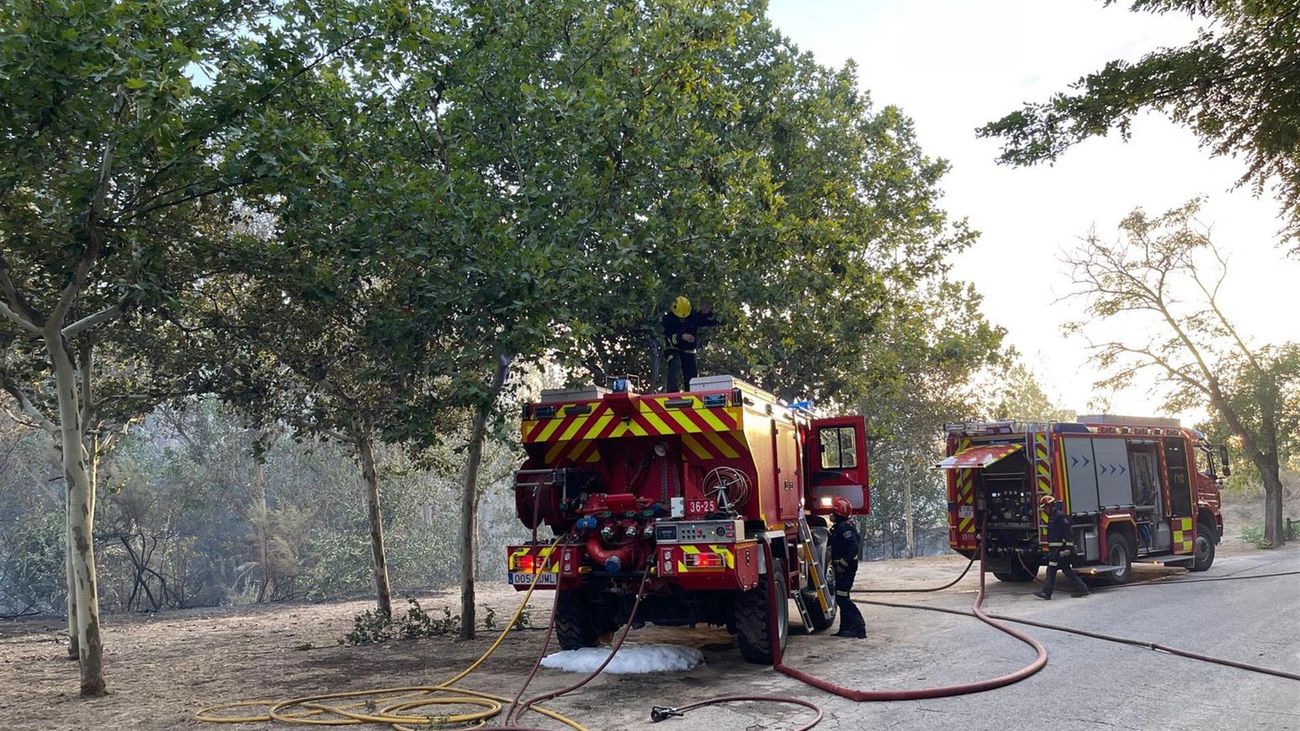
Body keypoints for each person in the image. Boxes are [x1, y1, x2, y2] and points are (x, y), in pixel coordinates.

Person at [1034, 495, 1091, 600]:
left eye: (1045, 507)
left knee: (1051, 570)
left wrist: (1068, 550)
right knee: (1066, 571)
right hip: (1056, 551)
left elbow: (1068, 534)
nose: (1044, 510)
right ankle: (1083, 589)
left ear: (1051, 506)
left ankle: (1047, 593)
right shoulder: (1052, 517)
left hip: (1061, 551)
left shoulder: (1060, 517)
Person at [829, 497, 867, 638]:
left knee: (842, 598)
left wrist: (842, 565)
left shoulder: (845, 528)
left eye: (833, 511)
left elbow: (853, 548)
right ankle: (845, 629)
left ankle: (859, 627)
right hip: (842, 567)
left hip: (846, 567)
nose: (831, 514)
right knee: (842, 596)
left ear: (838, 513)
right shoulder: (841, 527)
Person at [662, 295, 717, 392]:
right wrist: (682, 336)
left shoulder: (693, 316)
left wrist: (707, 313)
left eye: (685, 317)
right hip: (673, 348)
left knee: (691, 376)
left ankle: (691, 394)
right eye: (680, 318)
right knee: (675, 365)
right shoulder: (668, 319)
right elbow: (668, 335)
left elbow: (708, 321)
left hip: (689, 350)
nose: (683, 320)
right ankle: (672, 393)